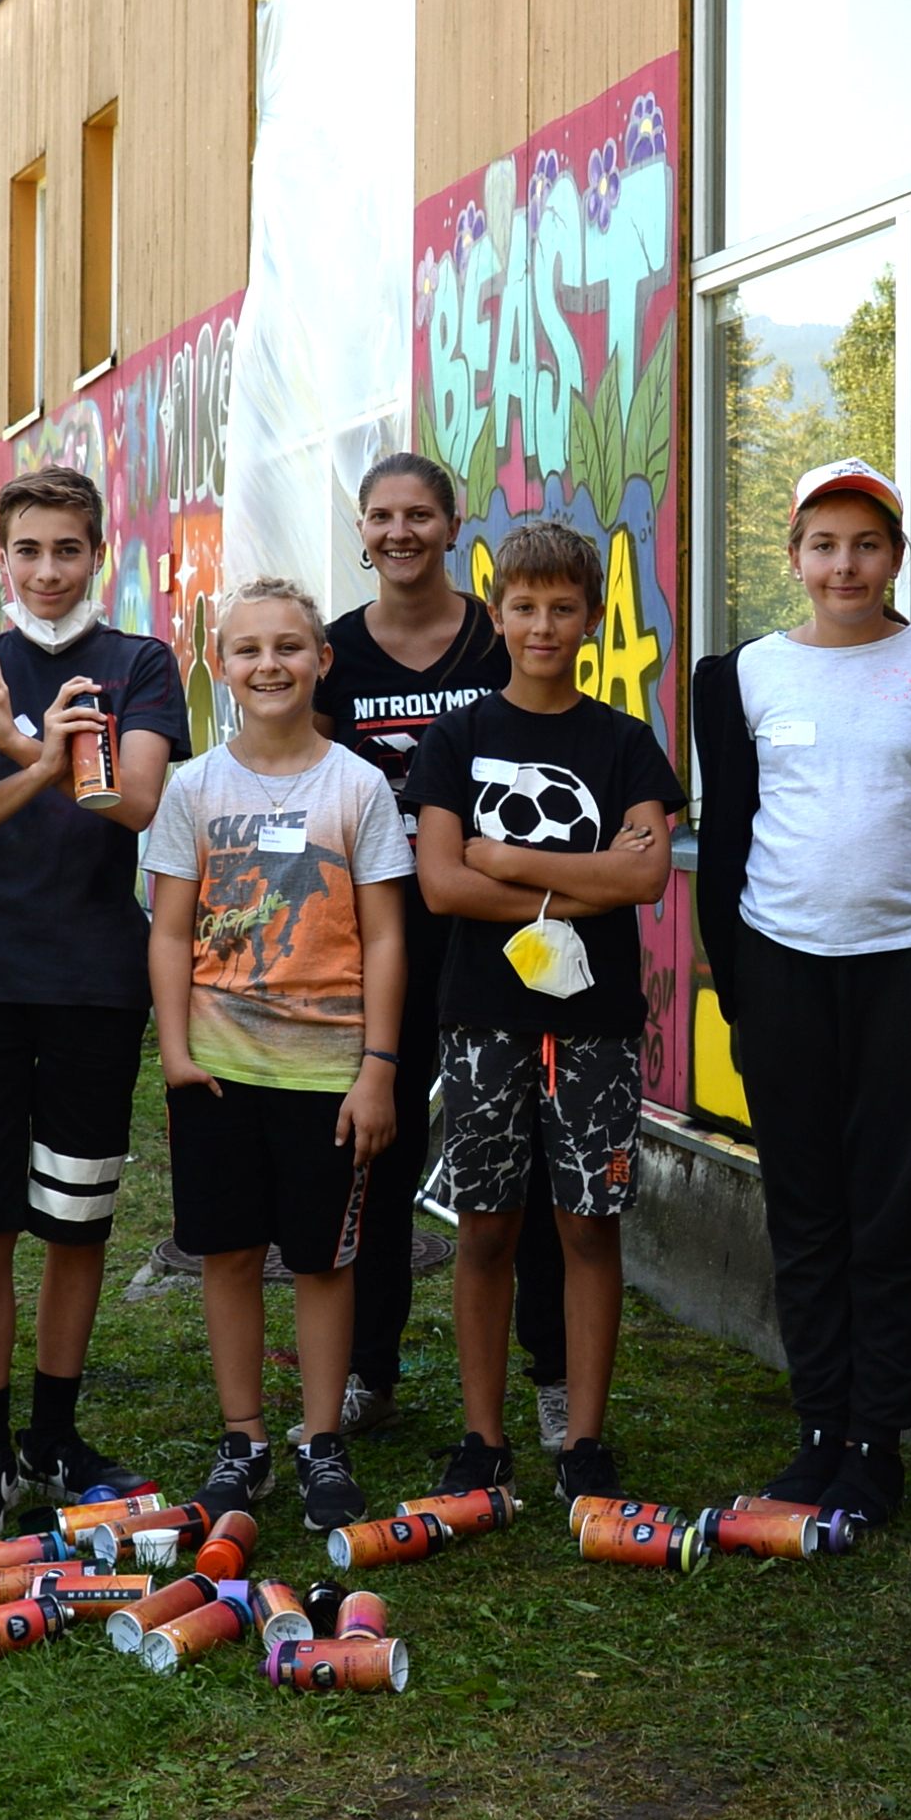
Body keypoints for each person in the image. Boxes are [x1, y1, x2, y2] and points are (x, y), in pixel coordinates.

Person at [691, 459, 911, 1525]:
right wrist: (735, 977)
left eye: (866, 543)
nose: (844, 564)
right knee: (805, 1206)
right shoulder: (741, 677)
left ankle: (877, 1442)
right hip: (779, 968)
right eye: (823, 543)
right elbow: (723, 836)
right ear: (794, 558)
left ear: (895, 557)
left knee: (891, 1213)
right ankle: (818, 1426)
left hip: (907, 973)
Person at [0, 463, 186, 1544]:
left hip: (93, 981)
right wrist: (45, 755)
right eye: (28, 550)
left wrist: (29, 746)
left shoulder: (138, 663)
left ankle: (56, 1433)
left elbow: (137, 804)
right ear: (1, 558)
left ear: (97, 551)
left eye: (68, 548)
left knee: (74, 1220)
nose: (49, 569)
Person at [406, 517, 684, 1502]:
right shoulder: (461, 736)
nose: (542, 623)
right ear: (497, 615)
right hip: (482, 1019)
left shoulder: (622, 742)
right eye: (523, 606)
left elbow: (647, 876)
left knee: (586, 1225)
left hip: (595, 1024)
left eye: (563, 607)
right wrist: (587, 879)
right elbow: (441, 883)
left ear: (590, 617)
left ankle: (584, 1441)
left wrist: (515, 861)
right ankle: (482, 1437)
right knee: (483, 1225)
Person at [315, 453, 570, 1447]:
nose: (399, 531)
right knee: (375, 1151)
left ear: (452, 523)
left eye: (418, 513)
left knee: (528, 1161)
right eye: (380, 516)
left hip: (498, 935)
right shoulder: (337, 652)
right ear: (363, 531)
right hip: (379, 940)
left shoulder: (493, 637)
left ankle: (549, 1369)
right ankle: (368, 1369)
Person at [147, 576, 410, 1534]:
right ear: (219, 667)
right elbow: (171, 931)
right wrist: (174, 1051)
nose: (269, 665)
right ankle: (243, 1437)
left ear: (322, 659)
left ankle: (320, 1439)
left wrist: (377, 1066)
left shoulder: (359, 786)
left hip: (328, 1075)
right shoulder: (193, 787)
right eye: (248, 649)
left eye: (289, 647)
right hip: (216, 1065)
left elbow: (385, 937)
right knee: (225, 1252)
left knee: (320, 1260)